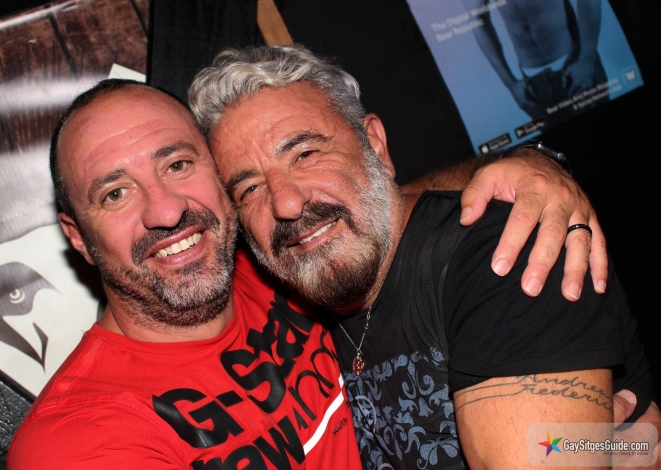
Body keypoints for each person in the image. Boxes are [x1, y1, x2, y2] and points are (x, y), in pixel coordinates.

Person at [189, 45, 658, 469]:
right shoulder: (289, 298)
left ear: (375, 145)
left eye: (306, 154)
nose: (286, 203)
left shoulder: (501, 253)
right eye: (249, 188)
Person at [7, 82, 363, 469]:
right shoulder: (78, 439)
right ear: (79, 237)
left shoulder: (287, 258)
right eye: (115, 194)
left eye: (177, 165)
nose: (166, 211)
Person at [463, 0, 608, 120]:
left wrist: (586, 60)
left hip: (574, 66)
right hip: (533, 86)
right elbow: (477, 20)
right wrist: (510, 84)